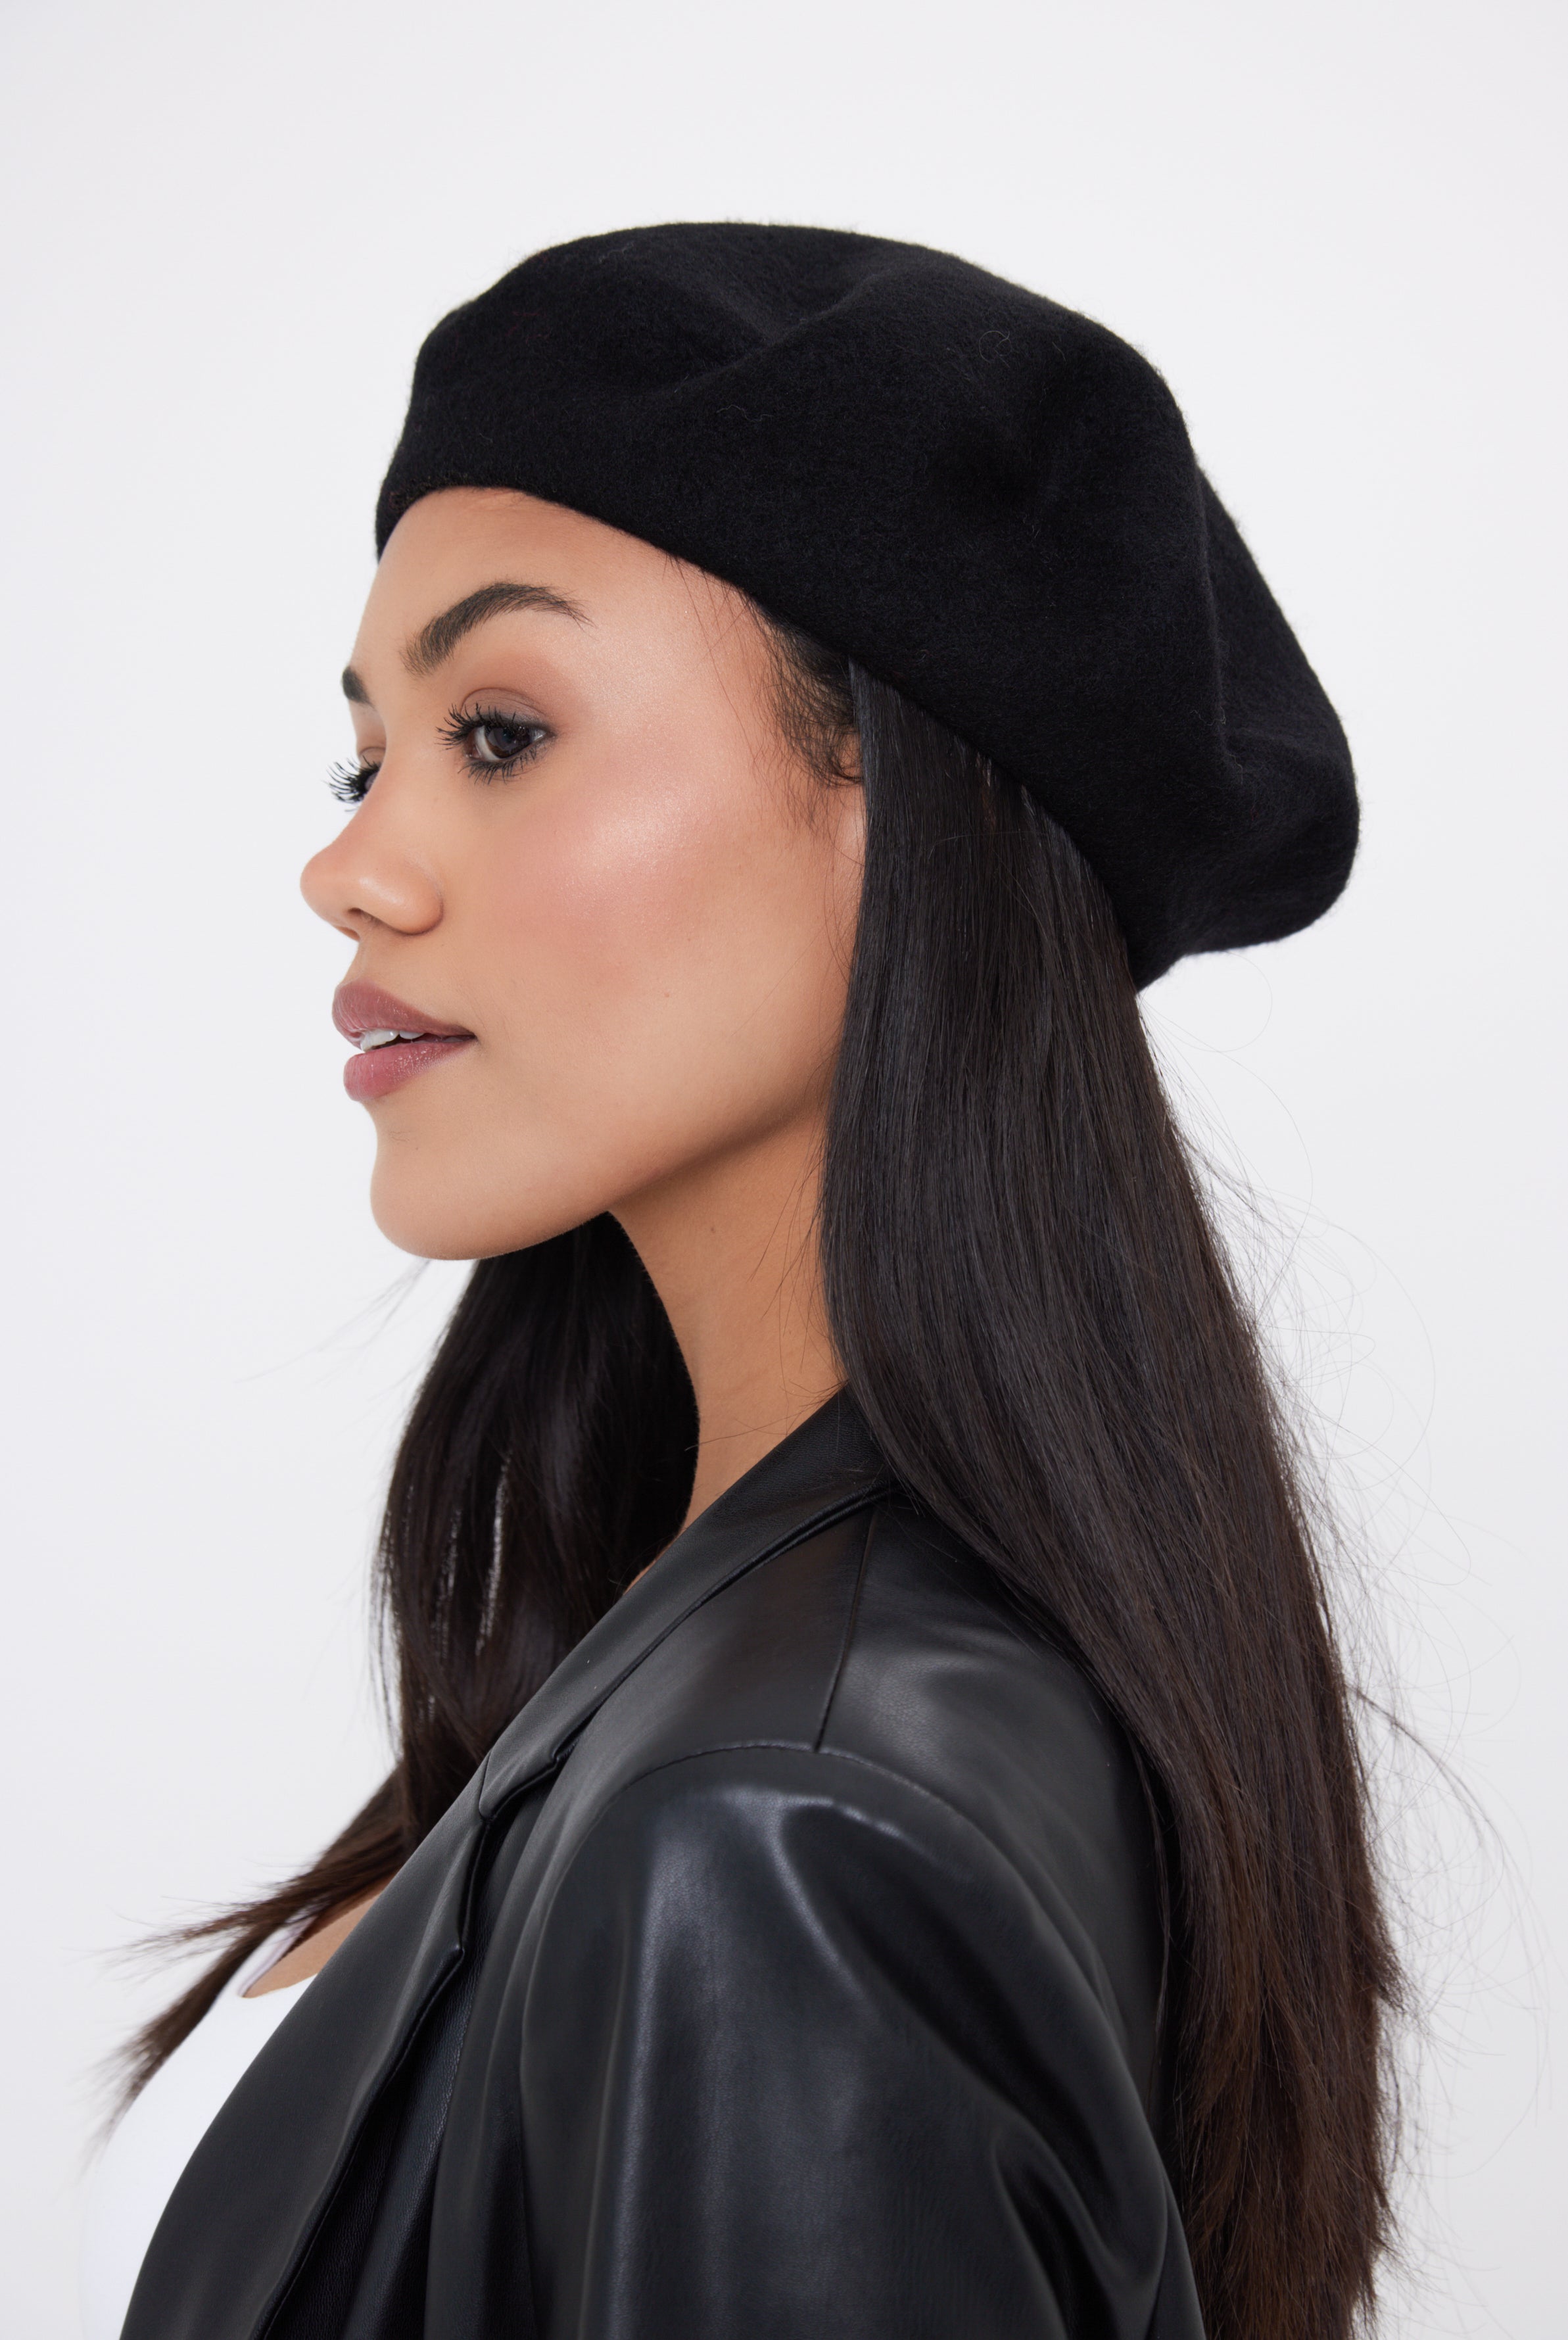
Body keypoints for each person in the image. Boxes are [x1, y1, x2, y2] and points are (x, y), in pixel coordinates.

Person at [86, 225, 1399, 2340]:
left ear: (907, 801)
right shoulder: (718, 1666)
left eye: (497, 731)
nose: (353, 863)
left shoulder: (782, 1825)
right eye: (367, 755)